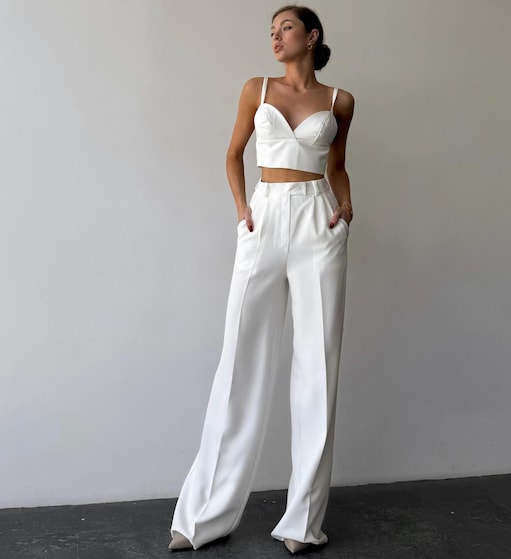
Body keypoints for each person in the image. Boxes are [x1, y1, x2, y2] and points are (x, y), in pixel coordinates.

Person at [169, 5, 354, 555]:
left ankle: (302, 524)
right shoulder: (257, 88)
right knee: (239, 361)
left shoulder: (340, 100)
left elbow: (337, 165)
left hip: (318, 220)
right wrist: (242, 210)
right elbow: (233, 155)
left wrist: (346, 207)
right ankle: (203, 516)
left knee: (318, 367)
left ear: (311, 36)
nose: (275, 37)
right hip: (265, 216)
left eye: (285, 28)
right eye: (271, 31)